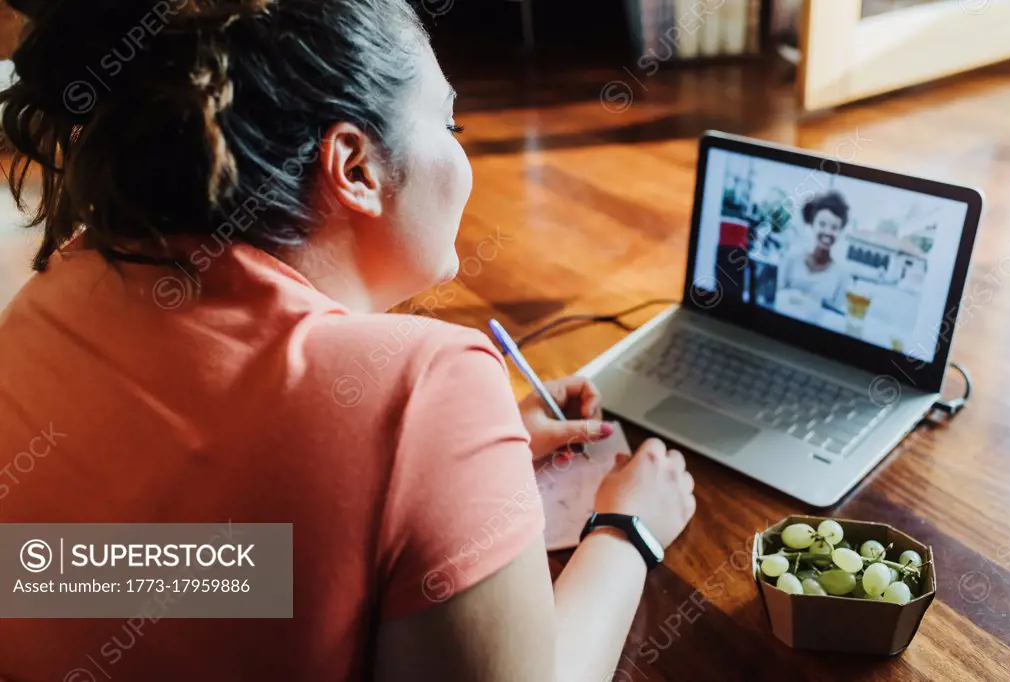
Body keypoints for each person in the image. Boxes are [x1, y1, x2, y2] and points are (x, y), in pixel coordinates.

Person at [0, 1, 696, 681]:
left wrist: (436, 480)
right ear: (356, 169)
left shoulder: (42, 305)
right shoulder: (431, 383)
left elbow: (167, 574)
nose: (463, 150)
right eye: (448, 121)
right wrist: (628, 528)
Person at [778, 190, 854, 315]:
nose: (828, 232)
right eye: (822, 224)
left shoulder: (842, 277)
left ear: (840, 232)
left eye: (834, 227)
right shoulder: (791, 259)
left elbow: (837, 317)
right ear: (813, 224)